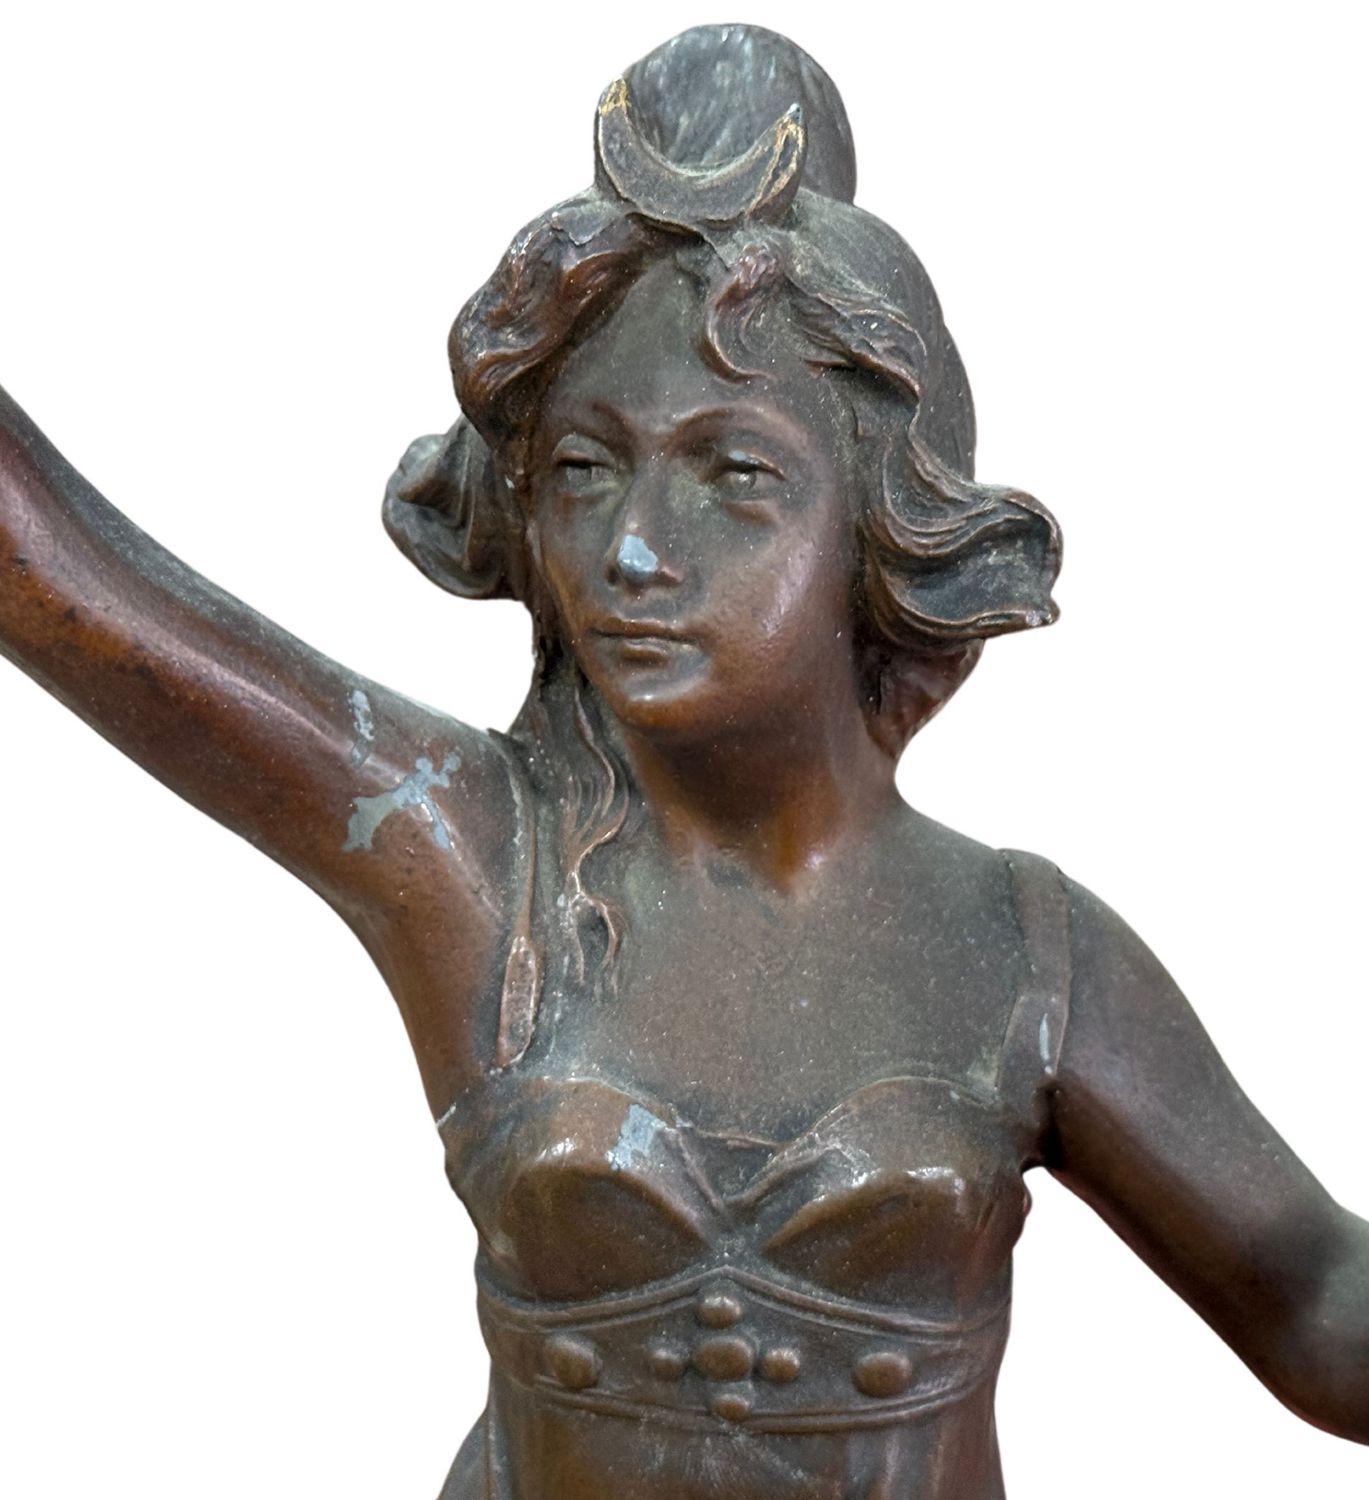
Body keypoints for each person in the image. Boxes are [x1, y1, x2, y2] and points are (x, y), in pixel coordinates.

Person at [1, 24, 1364, 1500]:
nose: (635, 551)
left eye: (737, 475)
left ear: (878, 529)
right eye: (584, 471)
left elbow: (1314, 1305)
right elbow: (68, 583)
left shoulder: (1022, 952)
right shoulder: (480, 868)